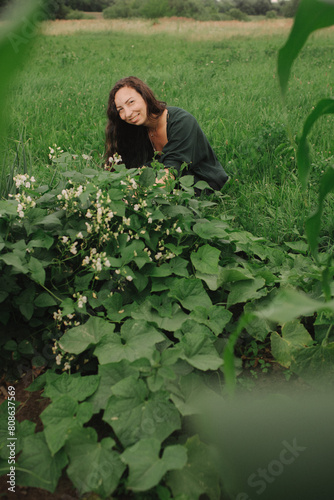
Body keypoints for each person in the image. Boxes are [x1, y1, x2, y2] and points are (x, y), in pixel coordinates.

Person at [105, 76, 228, 191]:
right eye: (120, 109)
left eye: (131, 102)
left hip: (200, 182)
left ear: (145, 96)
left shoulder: (182, 122)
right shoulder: (135, 128)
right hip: (164, 183)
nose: (127, 113)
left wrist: (137, 196)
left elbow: (172, 171)